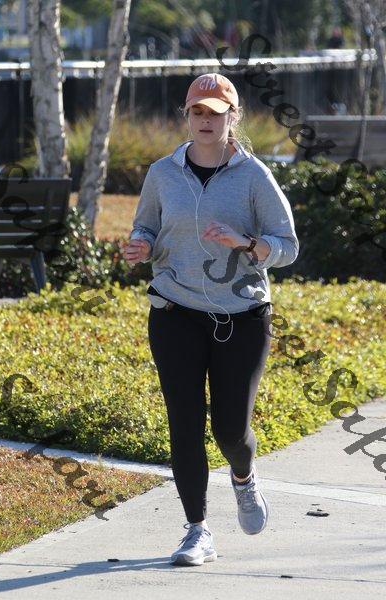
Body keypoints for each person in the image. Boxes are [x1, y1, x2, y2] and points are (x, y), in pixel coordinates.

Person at [123, 72, 299, 567]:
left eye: (216, 113)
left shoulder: (253, 176)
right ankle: (197, 530)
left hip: (242, 316)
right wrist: (140, 245)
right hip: (174, 311)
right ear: (187, 115)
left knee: (230, 430)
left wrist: (246, 243)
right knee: (184, 422)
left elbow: (288, 246)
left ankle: (243, 476)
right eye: (197, 111)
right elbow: (146, 226)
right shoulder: (163, 173)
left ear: (232, 118)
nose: (206, 120)